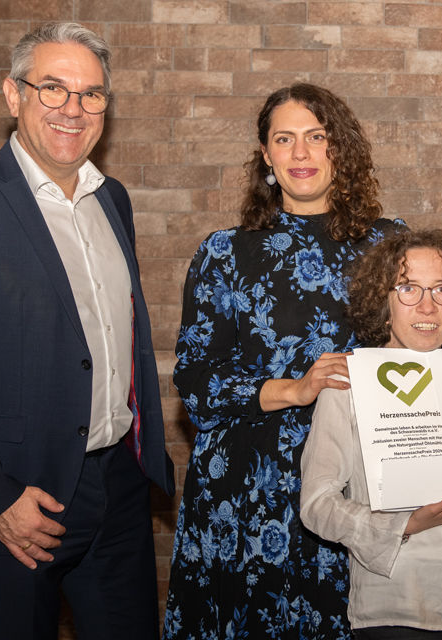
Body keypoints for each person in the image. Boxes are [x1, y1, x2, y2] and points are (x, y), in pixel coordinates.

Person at [0, 22, 173, 639]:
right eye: (53, 88)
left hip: (119, 489)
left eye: (91, 94)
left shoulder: (111, 199)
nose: (73, 109)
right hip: (19, 499)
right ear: (12, 95)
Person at [163, 83, 403, 640]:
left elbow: (424, 348)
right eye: (285, 139)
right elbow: (195, 381)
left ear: (339, 150)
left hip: (353, 478)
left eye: (317, 138)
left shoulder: (391, 245)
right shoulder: (224, 252)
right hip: (248, 489)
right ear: (266, 156)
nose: (301, 154)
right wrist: (294, 389)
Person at [300, 229, 442, 639]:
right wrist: (405, 524)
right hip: (397, 606)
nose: (427, 305)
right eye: (408, 288)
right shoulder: (347, 387)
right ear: (382, 303)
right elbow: (317, 504)